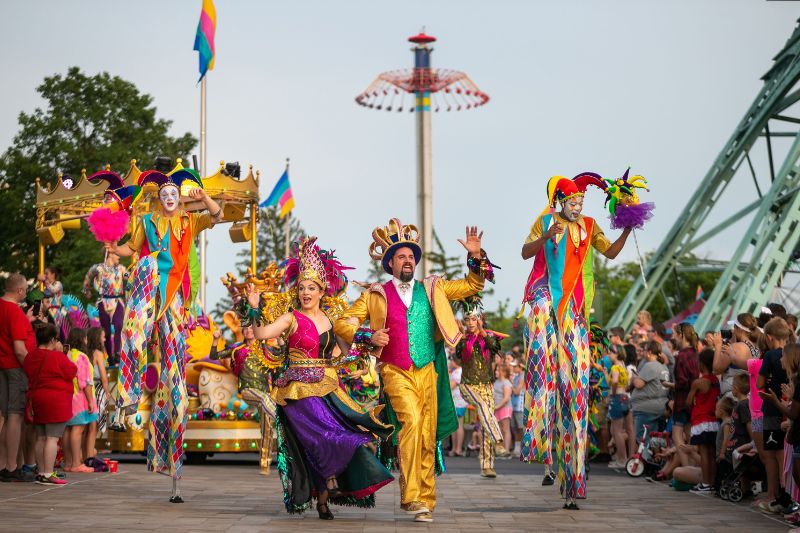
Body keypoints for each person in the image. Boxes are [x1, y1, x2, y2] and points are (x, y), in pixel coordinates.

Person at [335, 220, 493, 523]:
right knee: (412, 421)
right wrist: (368, 336)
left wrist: (476, 256)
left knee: (426, 431)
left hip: (427, 369)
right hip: (395, 370)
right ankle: (411, 496)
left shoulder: (433, 288)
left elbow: (473, 284)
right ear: (390, 263)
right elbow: (344, 322)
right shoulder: (375, 294)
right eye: (401, 257)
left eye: (411, 257)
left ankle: (425, 499)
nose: (407, 261)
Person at [245, 237, 394, 519]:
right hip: (297, 391)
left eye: (311, 288)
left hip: (328, 387)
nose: (305, 292)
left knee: (347, 435)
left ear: (322, 290)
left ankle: (325, 496)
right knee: (323, 436)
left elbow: (346, 353)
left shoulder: (330, 320)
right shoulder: (290, 318)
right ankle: (329, 481)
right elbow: (263, 334)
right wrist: (254, 308)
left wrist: (368, 341)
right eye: (301, 288)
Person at [106, 168, 222, 500]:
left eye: (174, 194)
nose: (170, 199)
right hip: (149, 288)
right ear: (159, 198)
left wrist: (204, 198)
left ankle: (172, 470)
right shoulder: (146, 223)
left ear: (179, 198)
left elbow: (215, 216)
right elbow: (130, 249)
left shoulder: (190, 221)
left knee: (175, 388)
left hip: (174, 301)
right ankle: (126, 400)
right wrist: (113, 244)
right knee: (131, 333)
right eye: (165, 194)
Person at [520, 173, 633, 509]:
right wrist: (546, 237)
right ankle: (540, 443)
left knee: (576, 391)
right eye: (572, 202)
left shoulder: (589, 225)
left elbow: (610, 253)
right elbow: (526, 253)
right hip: (545, 301)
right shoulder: (545, 221)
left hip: (575, 310)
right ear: (560, 201)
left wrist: (627, 228)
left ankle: (574, 481)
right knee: (542, 377)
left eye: (580, 202)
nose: (577, 206)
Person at [212, 325, 277, 475]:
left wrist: (280, 339)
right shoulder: (237, 349)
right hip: (248, 391)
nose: (249, 331)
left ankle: (264, 464)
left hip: (265, 396)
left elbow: (283, 355)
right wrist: (215, 340)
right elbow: (215, 356)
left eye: (252, 328)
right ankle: (280, 417)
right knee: (266, 401)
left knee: (266, 427)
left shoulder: (266, 349)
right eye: (246, 329)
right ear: (242, 332)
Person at [453, 301, 506, 477]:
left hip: (487, 386)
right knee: (484, 409)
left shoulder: (489, 337)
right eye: (467, 319)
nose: (470, 323)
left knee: (486, 422)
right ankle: (498, 440)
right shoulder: (463, 339)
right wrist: (461, 336)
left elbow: (495, 348)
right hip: (468, 386)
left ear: (479, 320)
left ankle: (487, 466)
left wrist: (482, 332)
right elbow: (458, 355)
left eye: (473, 319)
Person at [24, 323, 76, 485]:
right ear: (53, 340)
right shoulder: (57, 356)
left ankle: (41, 472)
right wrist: (61, 353)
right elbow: (71, 371)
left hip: (37, 399)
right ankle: (48, 473)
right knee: (52, 438)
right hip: (56, 401)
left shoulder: (30, 356)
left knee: (41, 437)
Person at [0, 273, 36, 482]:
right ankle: (12, 466)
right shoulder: (14, 312)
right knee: (15, 416)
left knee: (6, 415)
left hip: (3, 366)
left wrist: (26, 320)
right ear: (20, 291)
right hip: (16, 368)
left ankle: (4, 463)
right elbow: (20, 349)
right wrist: (33, 369)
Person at [757, 320, 794, 514]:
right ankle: (788, 496)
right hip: (790, 407)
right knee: (786, 456)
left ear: (769, 337)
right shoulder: (793, 352)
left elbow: (758, 384)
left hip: (773, 409)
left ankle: (774, 496)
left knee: (772, 455)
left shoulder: (771, 355)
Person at [685, 349, 720, 493]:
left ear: (701, 364)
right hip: (713, 419)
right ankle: (712, 482)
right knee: (712, 453)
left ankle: (706, 483)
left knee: (704, 453)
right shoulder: (715, 380)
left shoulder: (698, 382)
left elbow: (688, 402)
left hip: (701, 419)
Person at [83, 252, 127, 358]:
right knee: (105, 331)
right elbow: (88, 277)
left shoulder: (121, 268)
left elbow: (127, 276)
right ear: (110, 254)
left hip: (116, 301)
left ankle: (117, 352)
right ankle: (110, 357)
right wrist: (86, 290)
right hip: (103, 301)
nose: (119, 256)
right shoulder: (98, 268)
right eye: (117, 254)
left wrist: (134, 271)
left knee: (119, 325)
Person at [64, 328, 96, 473]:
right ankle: (77, 463)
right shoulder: (82, 357)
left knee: (68, 429)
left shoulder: (68, 354)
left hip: (68, 396)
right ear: (82, 339)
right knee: (78, 429)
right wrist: (90, 401)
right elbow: (85, 381)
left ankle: (69, 462)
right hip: (79, 399)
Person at [670, 323, 700, 469]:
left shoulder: (682, 355)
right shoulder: (695, 353)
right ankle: (697, 468)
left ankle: (687, 468)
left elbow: (682, 381)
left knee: (677, 436)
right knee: (690, 436)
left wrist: (672, 385)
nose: (673, 337)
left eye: (674, 334)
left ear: (681, 335)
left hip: (682, 400)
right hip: (694, 400)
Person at [712, 313, 761, 396]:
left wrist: (718, 345)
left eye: (734, 327)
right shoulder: (757, 349)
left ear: (740, 329)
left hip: (730, 393)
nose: (733, 330)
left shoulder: (735, 348)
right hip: (746, 394)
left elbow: (716, 370)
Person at [630, 341, 669, 444]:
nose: (642, 353)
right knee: (654, 438)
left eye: (644, 350)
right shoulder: (663, 366)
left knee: (642, 438)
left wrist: (634, 377)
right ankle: (653, 458)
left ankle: (647, 459)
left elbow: (638, 384)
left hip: (646, 409)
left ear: (649, 352)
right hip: (659, 407)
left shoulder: (650, 365)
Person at [606, 345, 630, 468]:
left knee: (617, 432)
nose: (609, 355)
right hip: (624, 398)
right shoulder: (623, 365)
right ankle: (621, 458)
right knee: (617, 430)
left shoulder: (615, 367)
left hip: (617, 398)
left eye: (610, 353)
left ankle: (622, 460)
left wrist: (613, 394)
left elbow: (614, 382)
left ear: (616, 354)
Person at [86, 328, 111, 442]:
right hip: (96, 390)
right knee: (93, 428)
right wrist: (107, 392)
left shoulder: (85, 352)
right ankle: (89, 456)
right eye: (103, 337)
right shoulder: (98, 353)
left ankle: (83, 455)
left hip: (85, 390)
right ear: (97, 338)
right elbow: (103, 377)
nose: (105, 339)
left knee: (84, 428)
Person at [447, 356, 467, 458]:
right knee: (455, 426)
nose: (450, 363)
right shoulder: (456, 372)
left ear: (455, 362)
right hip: (455, 402)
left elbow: (450, 386)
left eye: (451, 361)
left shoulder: (459, 372)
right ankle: (454, 448)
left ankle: (458, 448)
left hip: (459, 402)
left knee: (458, 425)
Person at [494, 363, 513, 461]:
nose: (496, 372)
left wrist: (497, 406)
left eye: (498, 370)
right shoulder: (496, 382)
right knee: (499, 430)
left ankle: (506, 450)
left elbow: (506, 398)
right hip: (496, 408)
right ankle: (500, 450)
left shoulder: (506, 383)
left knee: (505, 429)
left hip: (504, 408)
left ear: (503, 372)